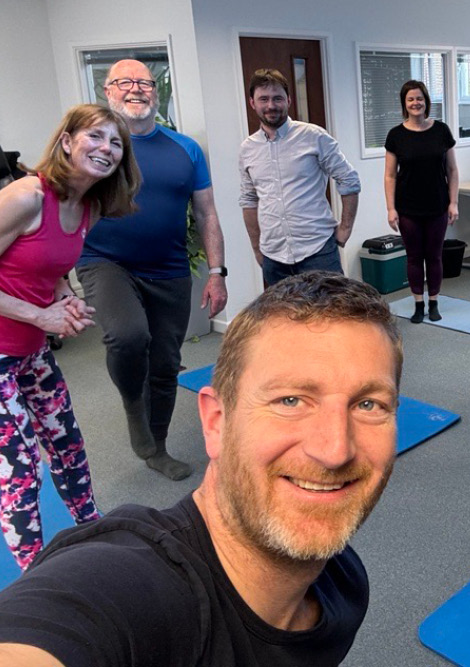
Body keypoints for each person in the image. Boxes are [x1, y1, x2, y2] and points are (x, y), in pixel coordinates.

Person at [0, 271, 402, 665]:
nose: (335, 450)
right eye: (290, 400)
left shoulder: (343, 585)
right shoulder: (124, 587)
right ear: (216, 423)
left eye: (369, 405)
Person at [0, 104, 140, 570]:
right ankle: (34, 579)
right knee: (20, 472)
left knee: (68, 446)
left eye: (115, 143)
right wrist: (41, 317)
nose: (105, 149)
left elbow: (49, 265)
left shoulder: (89, 207)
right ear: (66, 140)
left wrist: (64, 298)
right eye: (95, 137)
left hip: (30, 351)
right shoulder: (27, 197)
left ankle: (92, 530)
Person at [76, 59, 228, 482]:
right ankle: (131, 404)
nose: (135, 89)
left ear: (156, 94)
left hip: (170, 268)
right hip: (105, 261)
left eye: (143, 82)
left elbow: (206, 212)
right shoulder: (97, 147)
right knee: (127, 336)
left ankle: (156, 447)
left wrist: (216, 271)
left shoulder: (186, 149)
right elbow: (63, 203)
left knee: (165, 363)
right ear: (107, 92)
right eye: (123, 82)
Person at [239, 68, 361, 286]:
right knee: (284, 320)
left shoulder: (313, 136)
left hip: (318, 251)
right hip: (273, 258)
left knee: (332, 318)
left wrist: (345, 229)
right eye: (263, 99)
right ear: (252, 103)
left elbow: (349, 179)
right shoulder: (248, 149)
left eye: (277, 98)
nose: (271, 106)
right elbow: (249, 200)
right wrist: (257, 248)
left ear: (288, 100)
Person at [384, 80, 459, 324]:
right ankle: (418, 303)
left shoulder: (441, 131)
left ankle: (434, 301)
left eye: (419, 98)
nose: (415, 103)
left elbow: (452, 169)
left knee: (434, 256)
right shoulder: (396, 135)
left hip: (437, 204)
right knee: (414, 257)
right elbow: (390, 175)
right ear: (404, 104)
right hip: (407, 208)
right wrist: (391, 208)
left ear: (426, 101)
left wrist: (453, 202)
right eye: (410, 99)